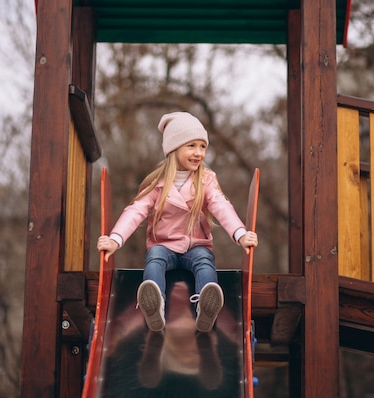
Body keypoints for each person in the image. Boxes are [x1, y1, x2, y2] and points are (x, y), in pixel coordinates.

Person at [97, 111, 258, 333]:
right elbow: (135, 211)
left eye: (203, 147)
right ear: (174, 149)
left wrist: (240, 234)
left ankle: (205, 306)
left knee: (204, 261)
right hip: (164, 245)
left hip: (196, 245)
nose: (199, 153)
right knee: (154, 258)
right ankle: (155, 304)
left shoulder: (206, 180)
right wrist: (115, 239)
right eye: (191, 145)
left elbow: (222, 207)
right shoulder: (157, 183)